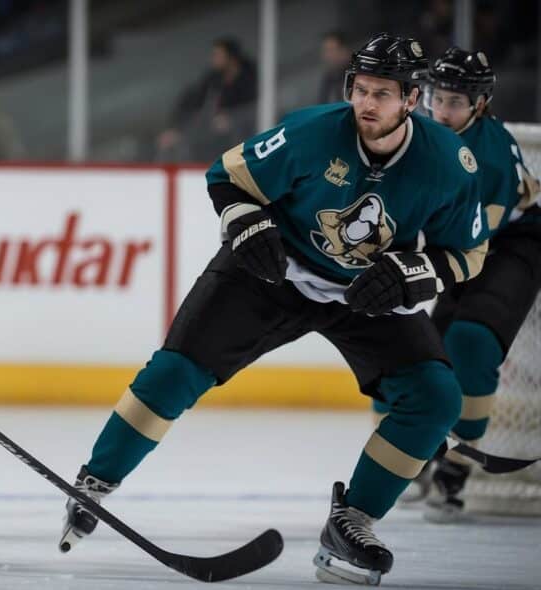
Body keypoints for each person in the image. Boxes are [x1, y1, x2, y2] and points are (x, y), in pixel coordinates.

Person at [59, 33, 488, 586]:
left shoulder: (448, 164)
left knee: (436, 397)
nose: (366, 103)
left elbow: (470, 254)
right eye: (360, 89)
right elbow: (227, 176)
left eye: (382, 93)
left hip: (367, 294)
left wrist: (416, 274)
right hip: (269, 274)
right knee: (174, 373)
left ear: (412, 100)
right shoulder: (312, 132)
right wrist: (245, 222)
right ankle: (95, 482)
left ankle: (352, 521)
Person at [376, 47, 540, 520]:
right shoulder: (422, 132)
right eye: (436, 98)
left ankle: (456, 468)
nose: (441, 111)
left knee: (469, 341)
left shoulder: (489, 158)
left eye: (454, 102)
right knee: (429, 349)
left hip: (513, 243)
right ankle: (428, 448)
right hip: (464, 241)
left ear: (480, 105)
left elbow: (468, 241)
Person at [155, 37, 256, 162]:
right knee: (175, 143)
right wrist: (176, 128)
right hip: (213, 134)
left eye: (218, 55)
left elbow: (256, 110)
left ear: (231, 57)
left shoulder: (252, 79)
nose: (213, 59)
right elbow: (192, 101)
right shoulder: (213, 78)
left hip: (245, 136)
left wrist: (233, 119)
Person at [318, 31, 351, 104]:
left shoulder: (359, 74)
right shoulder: (328, 78)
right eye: (326, 51)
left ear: (344, 50)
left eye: (332, 50)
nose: (328, 56)